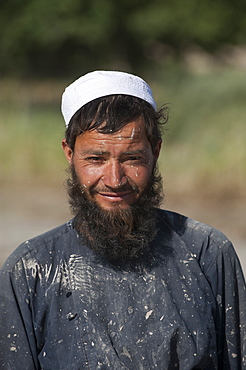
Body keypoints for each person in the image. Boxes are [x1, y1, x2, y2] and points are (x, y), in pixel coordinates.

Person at [0, 70, 245, 370]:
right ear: (69, 153)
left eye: (132, 159)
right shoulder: (30, 272)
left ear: (155, 152)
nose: (115, 180)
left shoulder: (208, 254)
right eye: (95, 159)